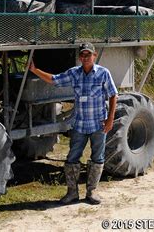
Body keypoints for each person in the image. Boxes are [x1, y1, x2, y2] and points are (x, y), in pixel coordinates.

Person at [29, 42, 117, 205]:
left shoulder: (103, 73)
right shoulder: (74, 74)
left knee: (97, 158)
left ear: (94, 56)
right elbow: (54, 80)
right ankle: (72, 193)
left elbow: (113, 95)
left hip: (99, 124)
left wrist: (110, 119)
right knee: (72, 159)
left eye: (88, 55)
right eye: (82, 55)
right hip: (79, 125)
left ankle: (92, 192)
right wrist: (34, 70)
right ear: (79, 57)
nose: (85, 58)